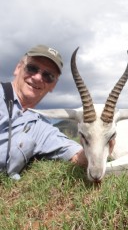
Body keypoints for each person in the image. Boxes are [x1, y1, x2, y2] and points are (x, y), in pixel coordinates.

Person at [0, 45, 88, 180]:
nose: (37, 77)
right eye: (32, 68)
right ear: (18, 68)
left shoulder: (41, 127)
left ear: (53, 85)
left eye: (48, 76)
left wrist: (93, 144)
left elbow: (77, 157)